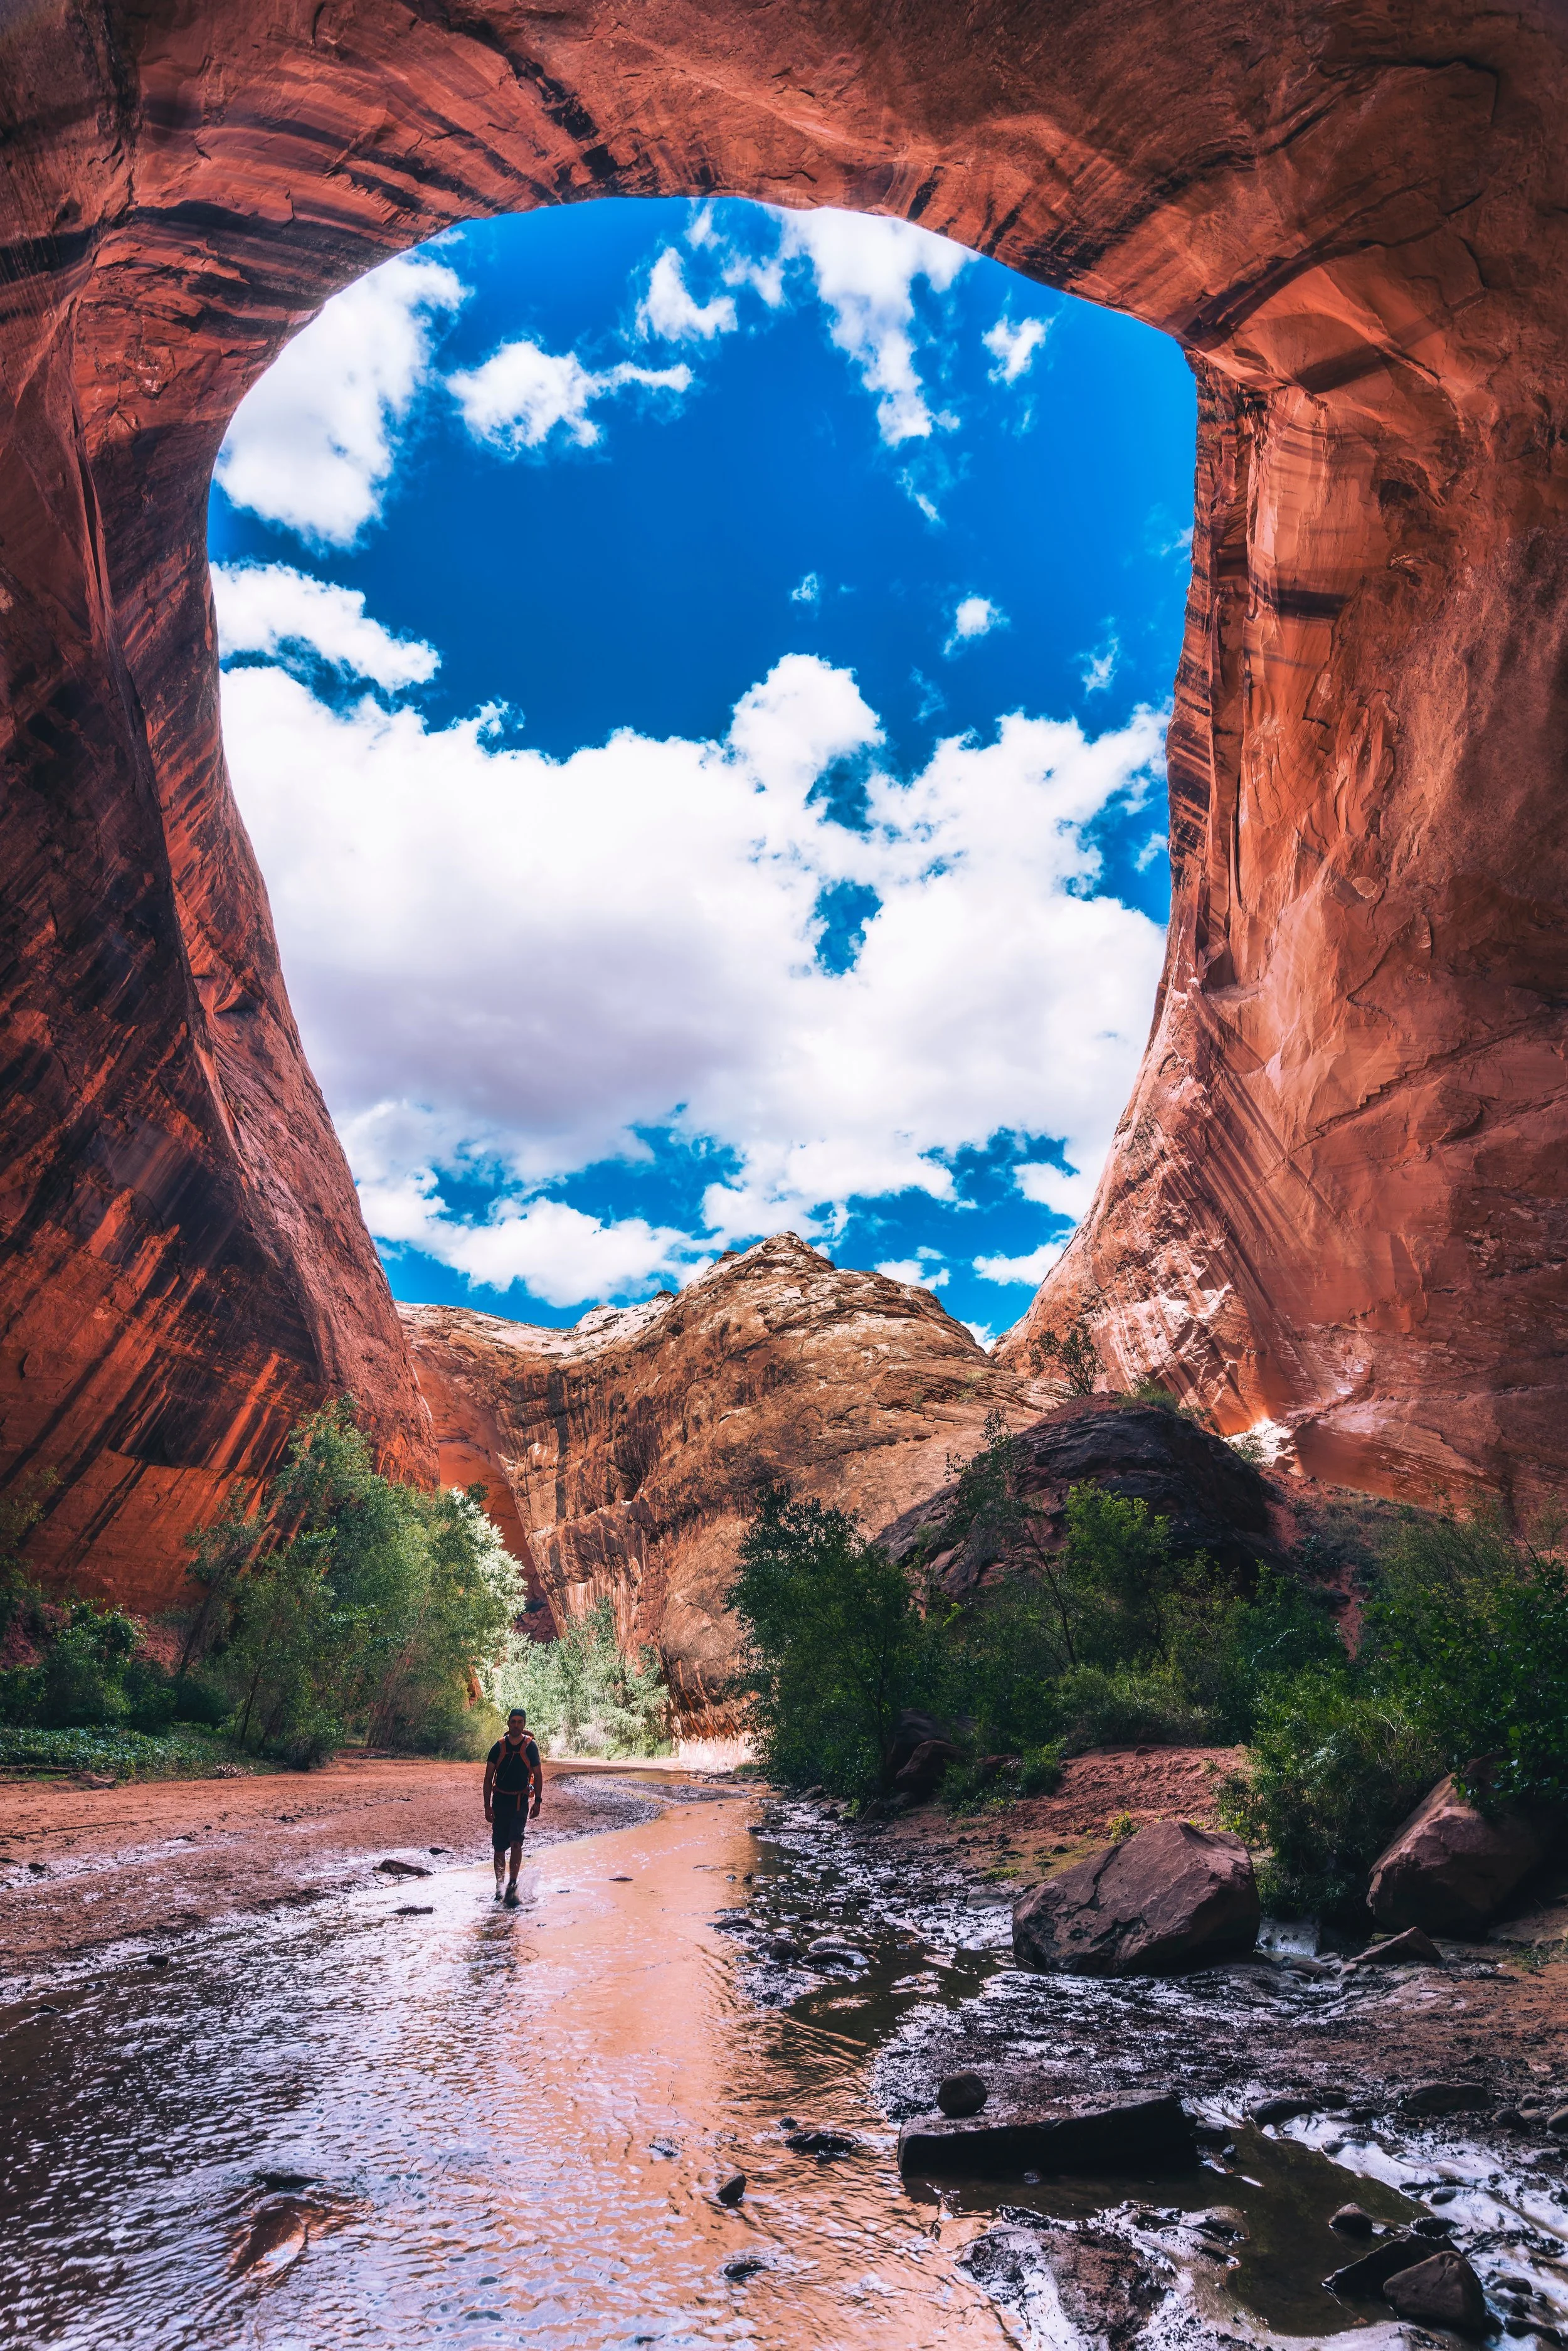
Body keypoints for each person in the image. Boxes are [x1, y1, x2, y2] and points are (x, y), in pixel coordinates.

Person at [484, 1707, 542, 1905]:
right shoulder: (498, 1747)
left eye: (520, 1722)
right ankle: (500, 1886)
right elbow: (488, 1778)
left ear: (524, 1725)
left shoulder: (531, 1747)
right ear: (508, 1724)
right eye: (513, 1722)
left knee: (517, 1843)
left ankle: (513, 1885)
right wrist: (487, 1806)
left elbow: (538, 1775)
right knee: (499, 1848)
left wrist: (538, 1801)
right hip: (500, 1801)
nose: (516, 1725)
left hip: (520, 1802)